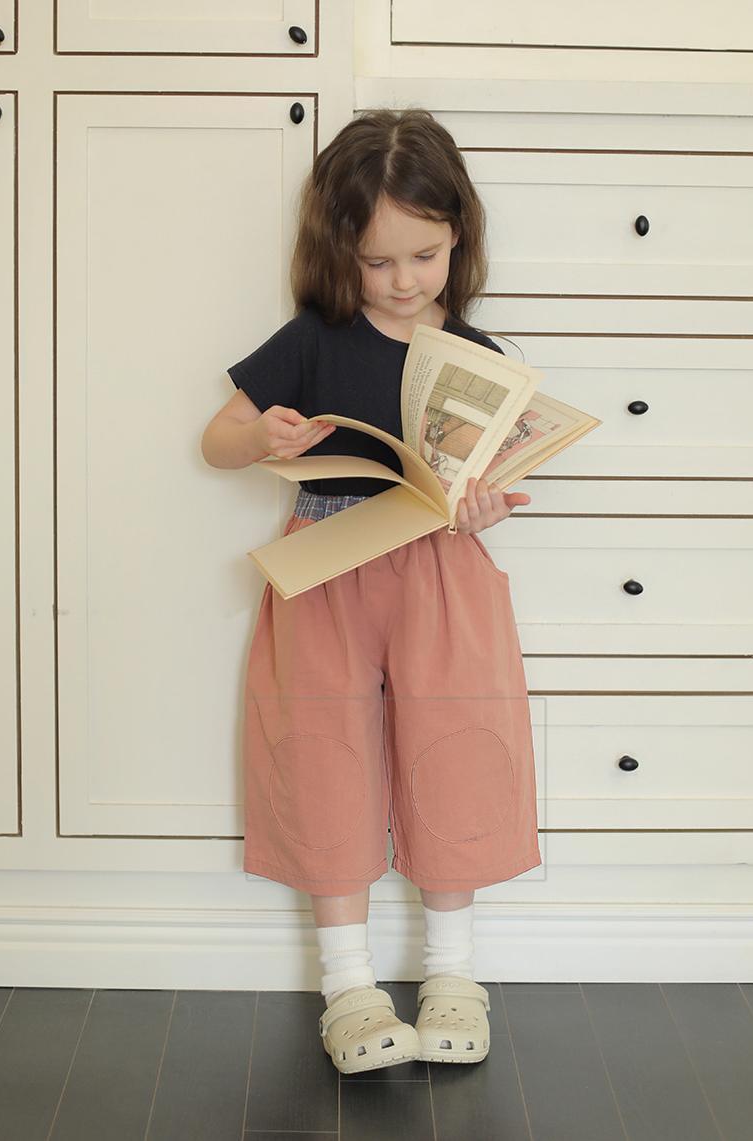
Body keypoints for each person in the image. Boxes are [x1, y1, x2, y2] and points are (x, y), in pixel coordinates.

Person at [200, 107, 542, 1075]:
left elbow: (493, 474)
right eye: (377, 261)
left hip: (441, 564)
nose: (401, 281)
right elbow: (216, 439)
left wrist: (483, 506)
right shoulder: (313, 339)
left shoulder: (481, 357)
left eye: (423, 256)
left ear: (458, 237)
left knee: (457, 747)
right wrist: (259, 437)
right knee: (322, 752)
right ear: (338, 249)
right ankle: (346, 984)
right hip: (327, 559)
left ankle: (452, 972)